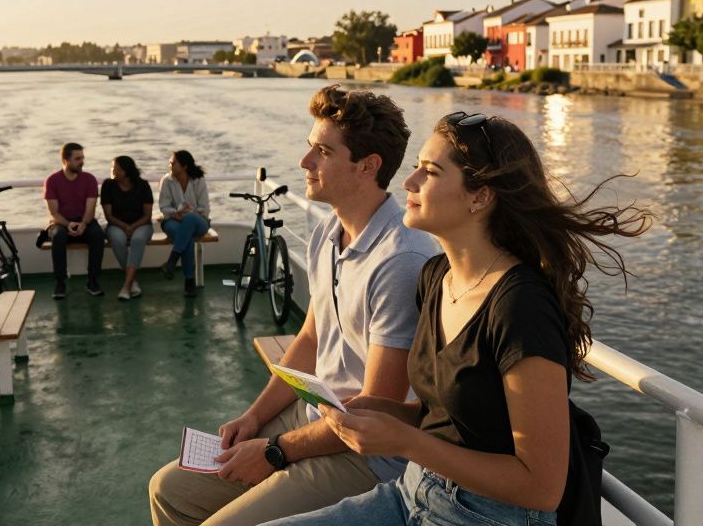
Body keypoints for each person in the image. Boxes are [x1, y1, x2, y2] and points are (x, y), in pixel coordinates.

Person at [262, 112, 652, 526]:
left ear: (479, 196)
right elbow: (458, 423)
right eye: (415, 168)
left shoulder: (520, 307)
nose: (409, 183)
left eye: (429, 172)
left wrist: (407, 441)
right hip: (412, 492)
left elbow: (542, 486)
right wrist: (390, 413)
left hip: (486, 515)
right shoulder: (435, 277)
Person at [149, 85, 438, 526]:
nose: (305, 163)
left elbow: (377, 407)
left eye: (323, 151)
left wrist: (273, 451)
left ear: (368, 166)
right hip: (312, 417)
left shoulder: (400, 259)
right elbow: (310, 338)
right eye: (310, 148)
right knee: (169, 491)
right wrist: (254, 417)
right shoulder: (327, 232)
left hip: (367, 454)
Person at [45, 142, 105, 299]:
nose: (82, 161)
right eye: (77, 158)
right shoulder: (52, 181)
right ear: (65, 161)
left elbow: (90, 209)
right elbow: (54, 212)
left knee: (97, 235)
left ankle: (92, 281)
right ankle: (60, 282)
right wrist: (68, 224)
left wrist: (83, 224)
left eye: (82, 157)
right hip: (62, 222)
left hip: (85, 220)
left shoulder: (89, 179)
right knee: (58, 237)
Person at [157, 150, 211, 298]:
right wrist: (176, 213)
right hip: (173, 221)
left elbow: (204, 208)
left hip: (199, 221)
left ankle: (172, 261)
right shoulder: (167, 180)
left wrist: (187, 214)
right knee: (186, 236)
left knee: (189, 220)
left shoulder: (198, 179)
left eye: (173, 163)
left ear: (184, 166)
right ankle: (189, 281)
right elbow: (163, 206)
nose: (170, 165)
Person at [102, 155, 154, 301]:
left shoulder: (142, 185)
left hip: (141, 224)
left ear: (126, 171)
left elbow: (147, 215)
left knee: (137, 240)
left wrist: (133, 226)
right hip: (116, 224)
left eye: (117, 169)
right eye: (113, 168)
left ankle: (126, 286)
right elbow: (108, 215)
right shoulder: (108, 185)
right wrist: (125, 226)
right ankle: (133, 281)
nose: (113, 171)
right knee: (118, 239)